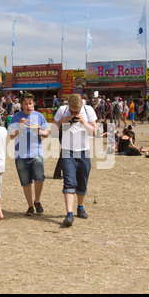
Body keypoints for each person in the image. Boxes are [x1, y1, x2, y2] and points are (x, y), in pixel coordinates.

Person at [53, 93, 97, 227]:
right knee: (69, 181)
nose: (74, 113)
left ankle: (80, 207)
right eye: (72, 111)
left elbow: (94, 132)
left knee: (82, 181)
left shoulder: (89, 110)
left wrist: (83, 122)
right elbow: (53, 131)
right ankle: (69, 214)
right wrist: (61, 122)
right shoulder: (61, 110)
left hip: (83, 151)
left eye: (76, 111)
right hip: (67, 150)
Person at [9, 93, 50, 216]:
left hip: (35, 152)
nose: (28, 106)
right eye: (26, 103)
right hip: (20, 154)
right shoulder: (16, 117)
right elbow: (11, 135)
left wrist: (38, 131)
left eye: (30, 103)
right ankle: (30, 206)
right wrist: (20, 126)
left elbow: (46, 133)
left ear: (33, 104)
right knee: (25, 182)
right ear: (21, 105)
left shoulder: (39, 116)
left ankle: (37, 201)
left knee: (39, 178)